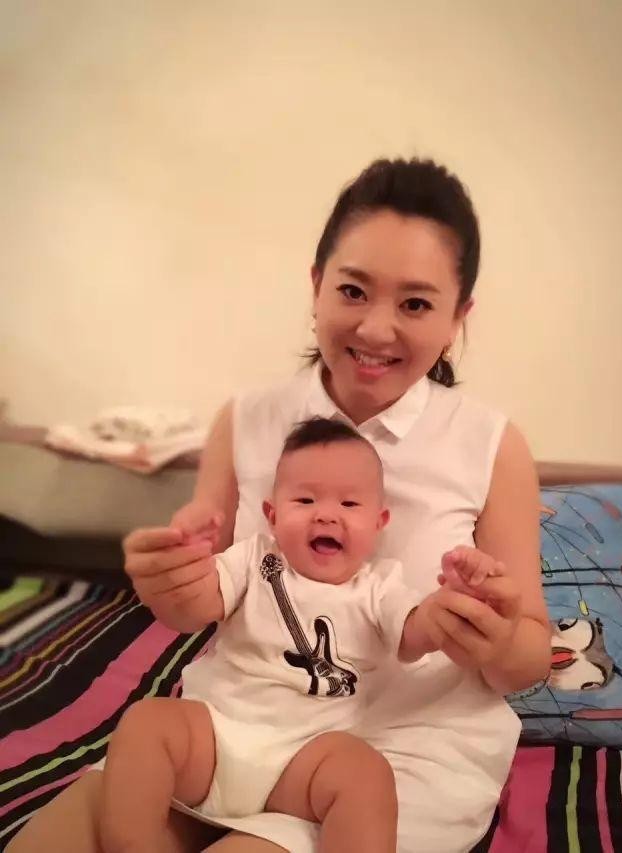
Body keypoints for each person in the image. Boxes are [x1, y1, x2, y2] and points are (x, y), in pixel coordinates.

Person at [7, 157, 550, 853]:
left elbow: (530, 655)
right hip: (237, 721)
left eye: (415, 304)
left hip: (401, 751)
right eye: (353, 290)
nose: (375, 328)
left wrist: (497, 640)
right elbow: (203, 600)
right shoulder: (246, 418)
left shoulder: (491, 444)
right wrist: (168, 582)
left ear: (457, 319)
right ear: (316, 285)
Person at [99, 417, 504, 853]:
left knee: (366, 774)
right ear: (272, 516)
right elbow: (201, 604)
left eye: (349, 503)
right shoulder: (252, 559)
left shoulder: (379, 586)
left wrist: (448, 606)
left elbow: (414, 631)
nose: (326, 513)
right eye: (305, 499)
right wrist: (183, 570)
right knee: (146, 722)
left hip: (302, 763)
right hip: (214, 737)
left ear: (379, 522)